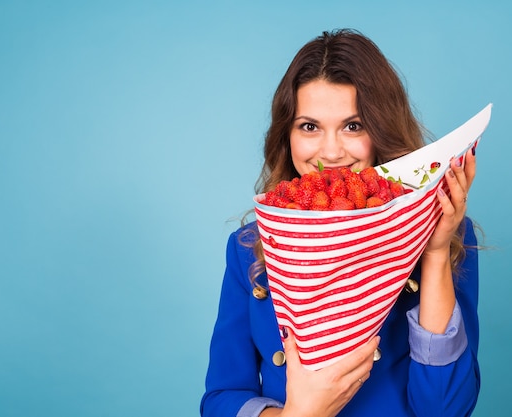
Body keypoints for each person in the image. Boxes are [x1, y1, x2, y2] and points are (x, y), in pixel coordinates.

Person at [200, 29, 480, 417]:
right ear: (287, 135)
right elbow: (222, 398)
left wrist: (433, 253)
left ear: (381, 129)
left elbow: (445, 410)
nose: (331, 152)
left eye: (354, 125)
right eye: (309, 127)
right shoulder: (250, 247)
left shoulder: (445, 234)